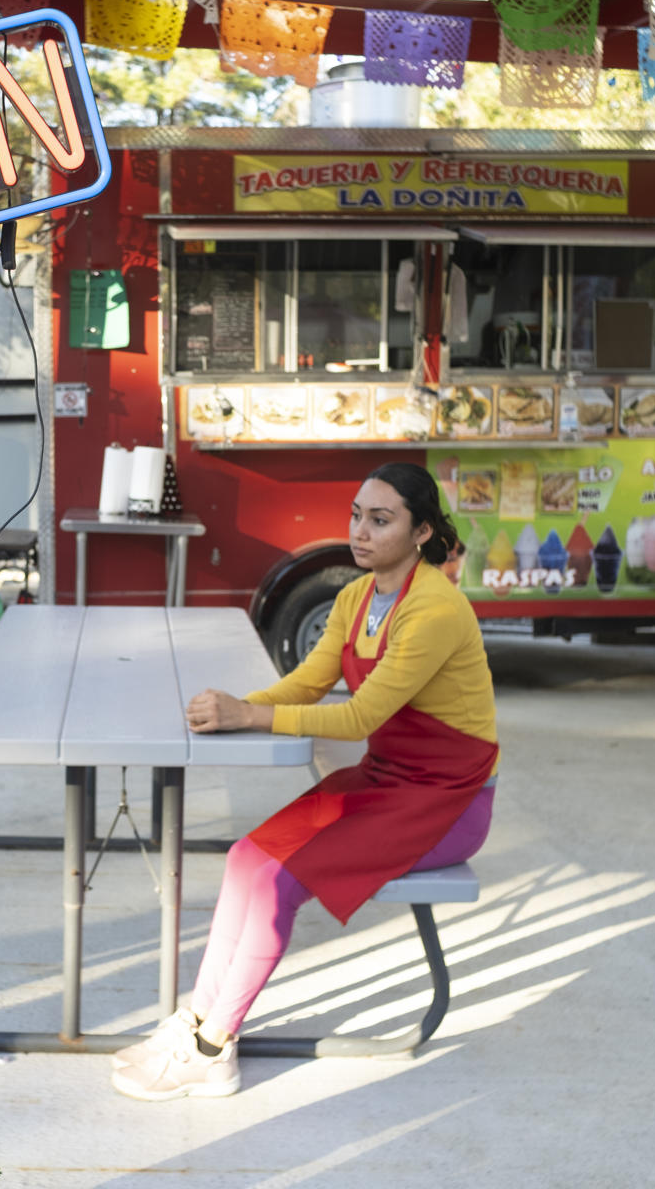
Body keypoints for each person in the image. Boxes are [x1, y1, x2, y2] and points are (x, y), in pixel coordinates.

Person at [111, 461, 498, 1102]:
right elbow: (308, 684)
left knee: (279, 883)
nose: (361, 532)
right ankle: (196, 1022)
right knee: (246, 859)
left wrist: (250, 715)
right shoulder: (355, 596)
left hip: (447, 804)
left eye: (381, 520)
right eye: (356, 515)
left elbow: (359, 716)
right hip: (386, 779)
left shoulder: (433, 608)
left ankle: (213, 1050)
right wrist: (236, 707)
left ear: (423, 531)